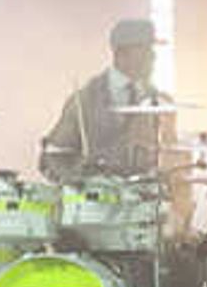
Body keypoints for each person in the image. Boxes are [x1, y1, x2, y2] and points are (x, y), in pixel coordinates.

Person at [40, 15, 174, 180]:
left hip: (145, 201)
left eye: (152, 50)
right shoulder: (85, 99)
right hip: (98, 201)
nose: (153, 56)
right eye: (145, 49)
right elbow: (54, 156)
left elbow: (172, 154)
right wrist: (79, 182)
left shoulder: (159, 101)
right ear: (121, 52)